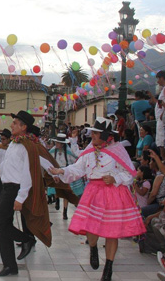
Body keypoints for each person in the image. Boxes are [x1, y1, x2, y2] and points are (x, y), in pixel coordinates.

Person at [50, 117, 146, 281]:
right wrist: (61, 171)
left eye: (96, 133)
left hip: (114, 194)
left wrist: (115, 178)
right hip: (93, 192)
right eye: (92, 132)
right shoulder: (88, 151)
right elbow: (78, 168)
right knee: (91, 229)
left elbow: (130, 173)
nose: (92, 136)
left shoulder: (118, 150)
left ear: (106, 135)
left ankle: (108, 267)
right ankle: (93, 247)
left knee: (112, 233)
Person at [0, 111, 56, 277]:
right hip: (6, 188)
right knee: (3, 228)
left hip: (14, 189)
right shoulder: (14, 143)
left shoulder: (27, 146)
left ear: (23, 127)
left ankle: (27, 239)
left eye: (15, 123)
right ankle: (10, 266)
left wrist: (21, 197)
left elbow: (29, 173)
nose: (11, 125)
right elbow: (5, 166)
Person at [50, 132, 80, 220]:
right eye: (56, 142)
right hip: (56, 172)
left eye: (59, 143)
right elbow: (49, 160)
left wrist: (69, 169)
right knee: (57, 189)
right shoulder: (52, 151)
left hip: (65, 173)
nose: (57, 144)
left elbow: (75, 161)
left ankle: (65, 211)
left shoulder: (68, 152)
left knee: (66, 192)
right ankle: (57, 200)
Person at [148, 70, 165, 160]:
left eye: (158, 79)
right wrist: (152, 97)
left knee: (162, 142)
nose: (158, 81)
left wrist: (163, 113)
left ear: (162, 78)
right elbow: (160, 103)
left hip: (162, 119)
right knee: (160, 142)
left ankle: (164, 160)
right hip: (161, 118)